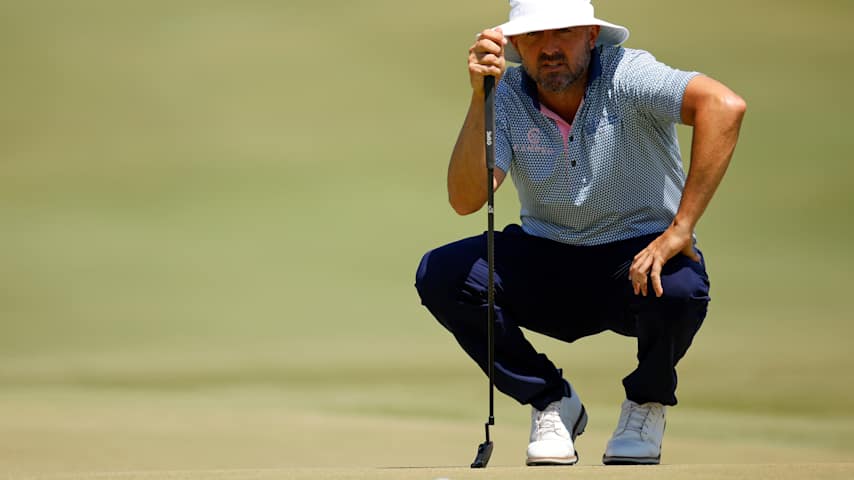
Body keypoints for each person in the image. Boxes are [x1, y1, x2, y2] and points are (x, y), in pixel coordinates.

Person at [414, 0, 746, 467]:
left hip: (635, 261)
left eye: (563, 33)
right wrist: (479, 97)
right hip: (547, 258)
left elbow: (724, 106)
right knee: (442, 274)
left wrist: (682, 227)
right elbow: (466, 199)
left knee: (681, 284)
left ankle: (645, 404)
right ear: (516, 46)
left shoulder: (628, 75)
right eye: (533, 37)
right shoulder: (506, 94)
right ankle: (552, 402)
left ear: (591, 35)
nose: (549, 48)